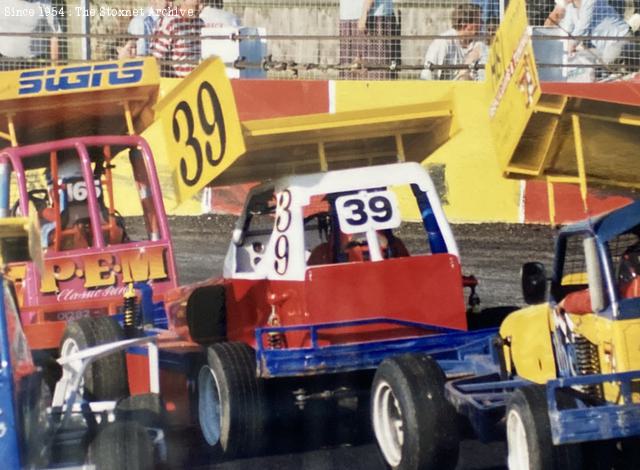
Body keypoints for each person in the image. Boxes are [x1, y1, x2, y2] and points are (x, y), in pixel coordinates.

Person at [545, 0, 631, 65]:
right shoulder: (571, 8)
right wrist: (562, 46)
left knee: (606, 64)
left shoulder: (589, 1)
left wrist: (571, 45)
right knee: (584, 61)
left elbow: (583, 26)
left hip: (619, 38)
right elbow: (567, 29)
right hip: (602, 48)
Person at [420, 3, 485, 81]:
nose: (482, 24)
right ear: (464, 24)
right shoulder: (443, 42)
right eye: (478, 21)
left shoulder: (480, 43)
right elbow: (427, 74)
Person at [152, 0, 204, 77]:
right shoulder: (170, 21)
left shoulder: (200, 23)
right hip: (178, 83)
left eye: (202, 2)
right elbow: (156, 59)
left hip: (199, 81)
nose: (201, 7)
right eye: (198, 2)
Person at [0, 0, 61, 66]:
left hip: (36, 62)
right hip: (6, 62)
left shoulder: (44, 4)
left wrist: (54, 67)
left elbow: (54, 35)